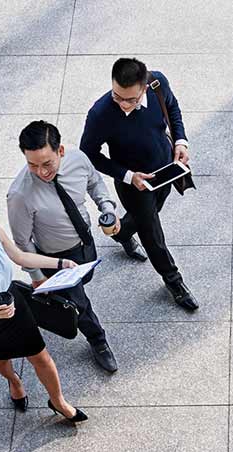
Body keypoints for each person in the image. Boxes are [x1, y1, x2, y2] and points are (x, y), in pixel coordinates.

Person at [0, 202, 87, 423]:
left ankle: (58, 401)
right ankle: (14, 381)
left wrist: (61, 263)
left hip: (15, 306)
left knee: (41, 356)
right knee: (1, 360)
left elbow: (20, 257)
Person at [79, 57, 199, 311]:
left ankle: (122, 232)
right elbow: (88, 153)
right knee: (152, 234)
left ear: (144, 87)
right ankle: (173, 280)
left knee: (152, 212)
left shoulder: (158, 84)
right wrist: (127, 176)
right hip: (133, 183)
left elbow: (173, 108)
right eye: (117, 96)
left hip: (166, 168)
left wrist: (180, 142)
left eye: (130, 99)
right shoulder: (101, 113)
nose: (123, 105)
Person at [7, 120, 122, 373]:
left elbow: (94, 182)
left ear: (60, 151)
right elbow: (22, 242)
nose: (41, 172)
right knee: (79, 302)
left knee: (85, 278)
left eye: (47, 163)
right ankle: (98, 340)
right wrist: (37, 277)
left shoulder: (77, 160)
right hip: (55, 257)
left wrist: (107, 207)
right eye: (32, 165)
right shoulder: (19, 194)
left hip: (85, 241)